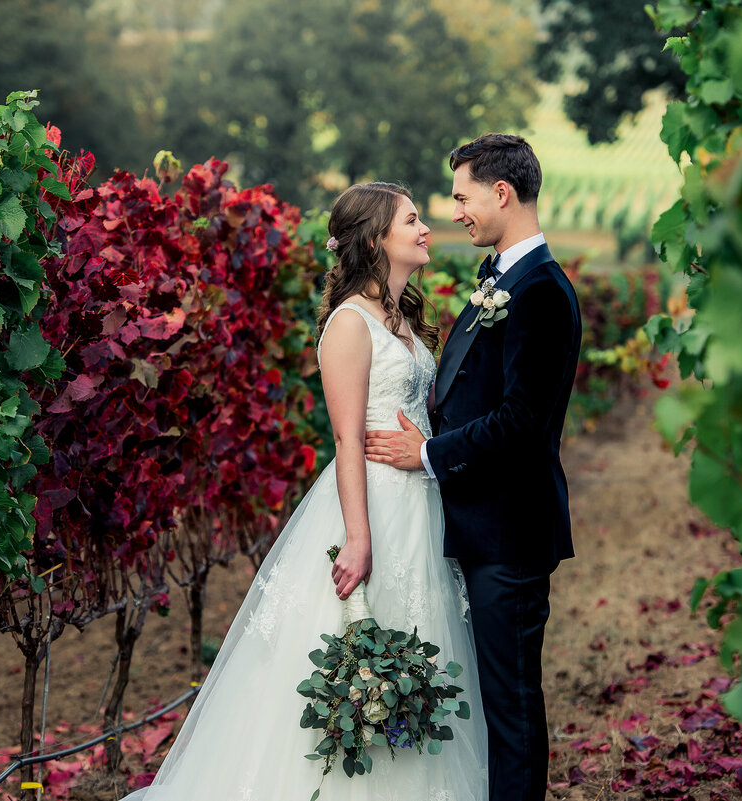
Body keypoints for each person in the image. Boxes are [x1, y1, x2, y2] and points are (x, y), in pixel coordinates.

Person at [120, 182, 487, 801]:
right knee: (360, 649)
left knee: (413, 652)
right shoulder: (349, 324)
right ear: (376, 239)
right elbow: (347, 440)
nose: (426, 229)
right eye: (412, 220)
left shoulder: (400, 319)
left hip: (419, 503)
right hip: (372, 503)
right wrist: (359, 537)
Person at [364, 134, 581, 801]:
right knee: (494, 704)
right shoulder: (501, 280)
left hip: (510, 532)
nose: (455, 210)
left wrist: (425, 454)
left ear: (501, 193)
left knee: (511, 708)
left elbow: (521, 421)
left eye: (461, 196)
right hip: (480, 525)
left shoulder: (539, 290)